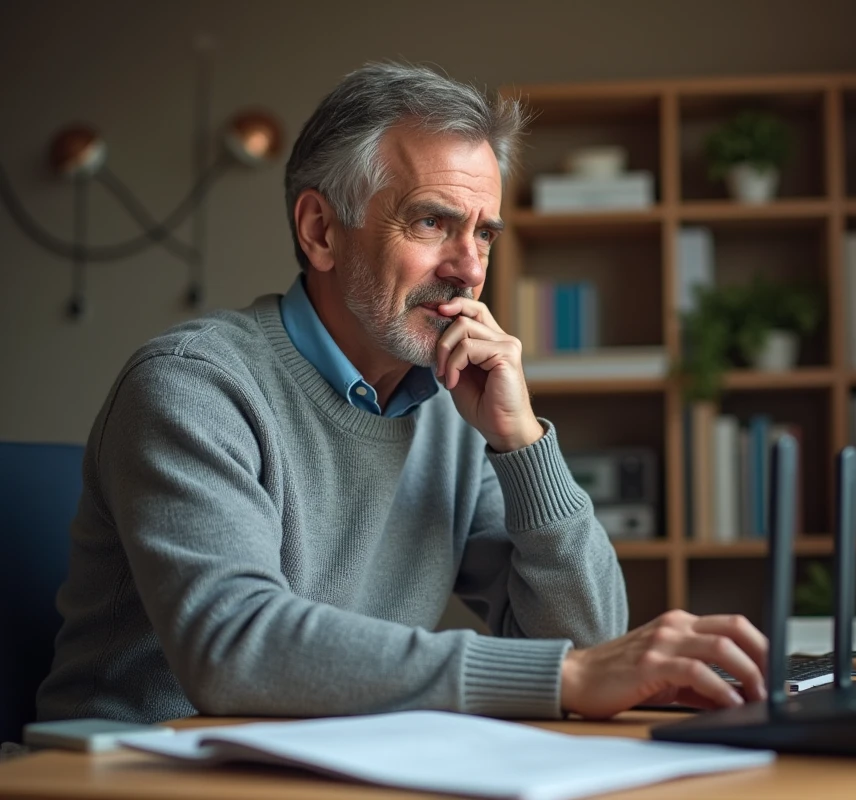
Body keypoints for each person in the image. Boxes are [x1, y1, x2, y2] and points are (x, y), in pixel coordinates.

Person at [37, 62, 767, 725]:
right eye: (432, 222)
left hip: (337, 769)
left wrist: (523, 445)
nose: (467, 269)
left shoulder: (453, 405)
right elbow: (234, 648)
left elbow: (590, 645)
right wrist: (564, 675)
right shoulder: (192, 385)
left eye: (484, 234)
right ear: (321, 230)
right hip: (139, 774)